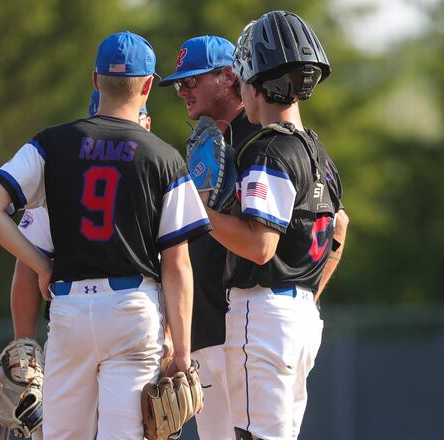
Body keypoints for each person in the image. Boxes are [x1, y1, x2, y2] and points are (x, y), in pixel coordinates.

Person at [0, 31, 210, 439]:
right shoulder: (164, 157)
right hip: (132, 311)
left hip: (70, 310)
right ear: (149, 85)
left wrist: (40, 264)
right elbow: (177, 264)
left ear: (96, 80)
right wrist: (183, 352)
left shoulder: (52, 143)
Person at [204, 11, 345, 439]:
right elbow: (339, 229)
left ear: (254, 84)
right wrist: (307, 297)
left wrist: (196, 213)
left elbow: (261, 246)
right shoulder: (319, 153)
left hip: (262, 316)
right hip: (300, 316)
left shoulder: (268, 148)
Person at [157, 35, 262, 440]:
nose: (182, 91)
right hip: (201, 332)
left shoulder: (259, 138)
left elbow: (333, 223)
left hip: (244, 328)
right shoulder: (202, 145)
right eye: (178, 83)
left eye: (191, 80)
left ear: (228, 76)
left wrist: (306, 303)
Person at [11, 92, 153, 340]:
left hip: (78, 315)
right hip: (133, 314)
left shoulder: (61, 176)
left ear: (147, 123)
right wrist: (24, 343)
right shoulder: (161, 169)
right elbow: (27, 268)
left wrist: (23, 342)